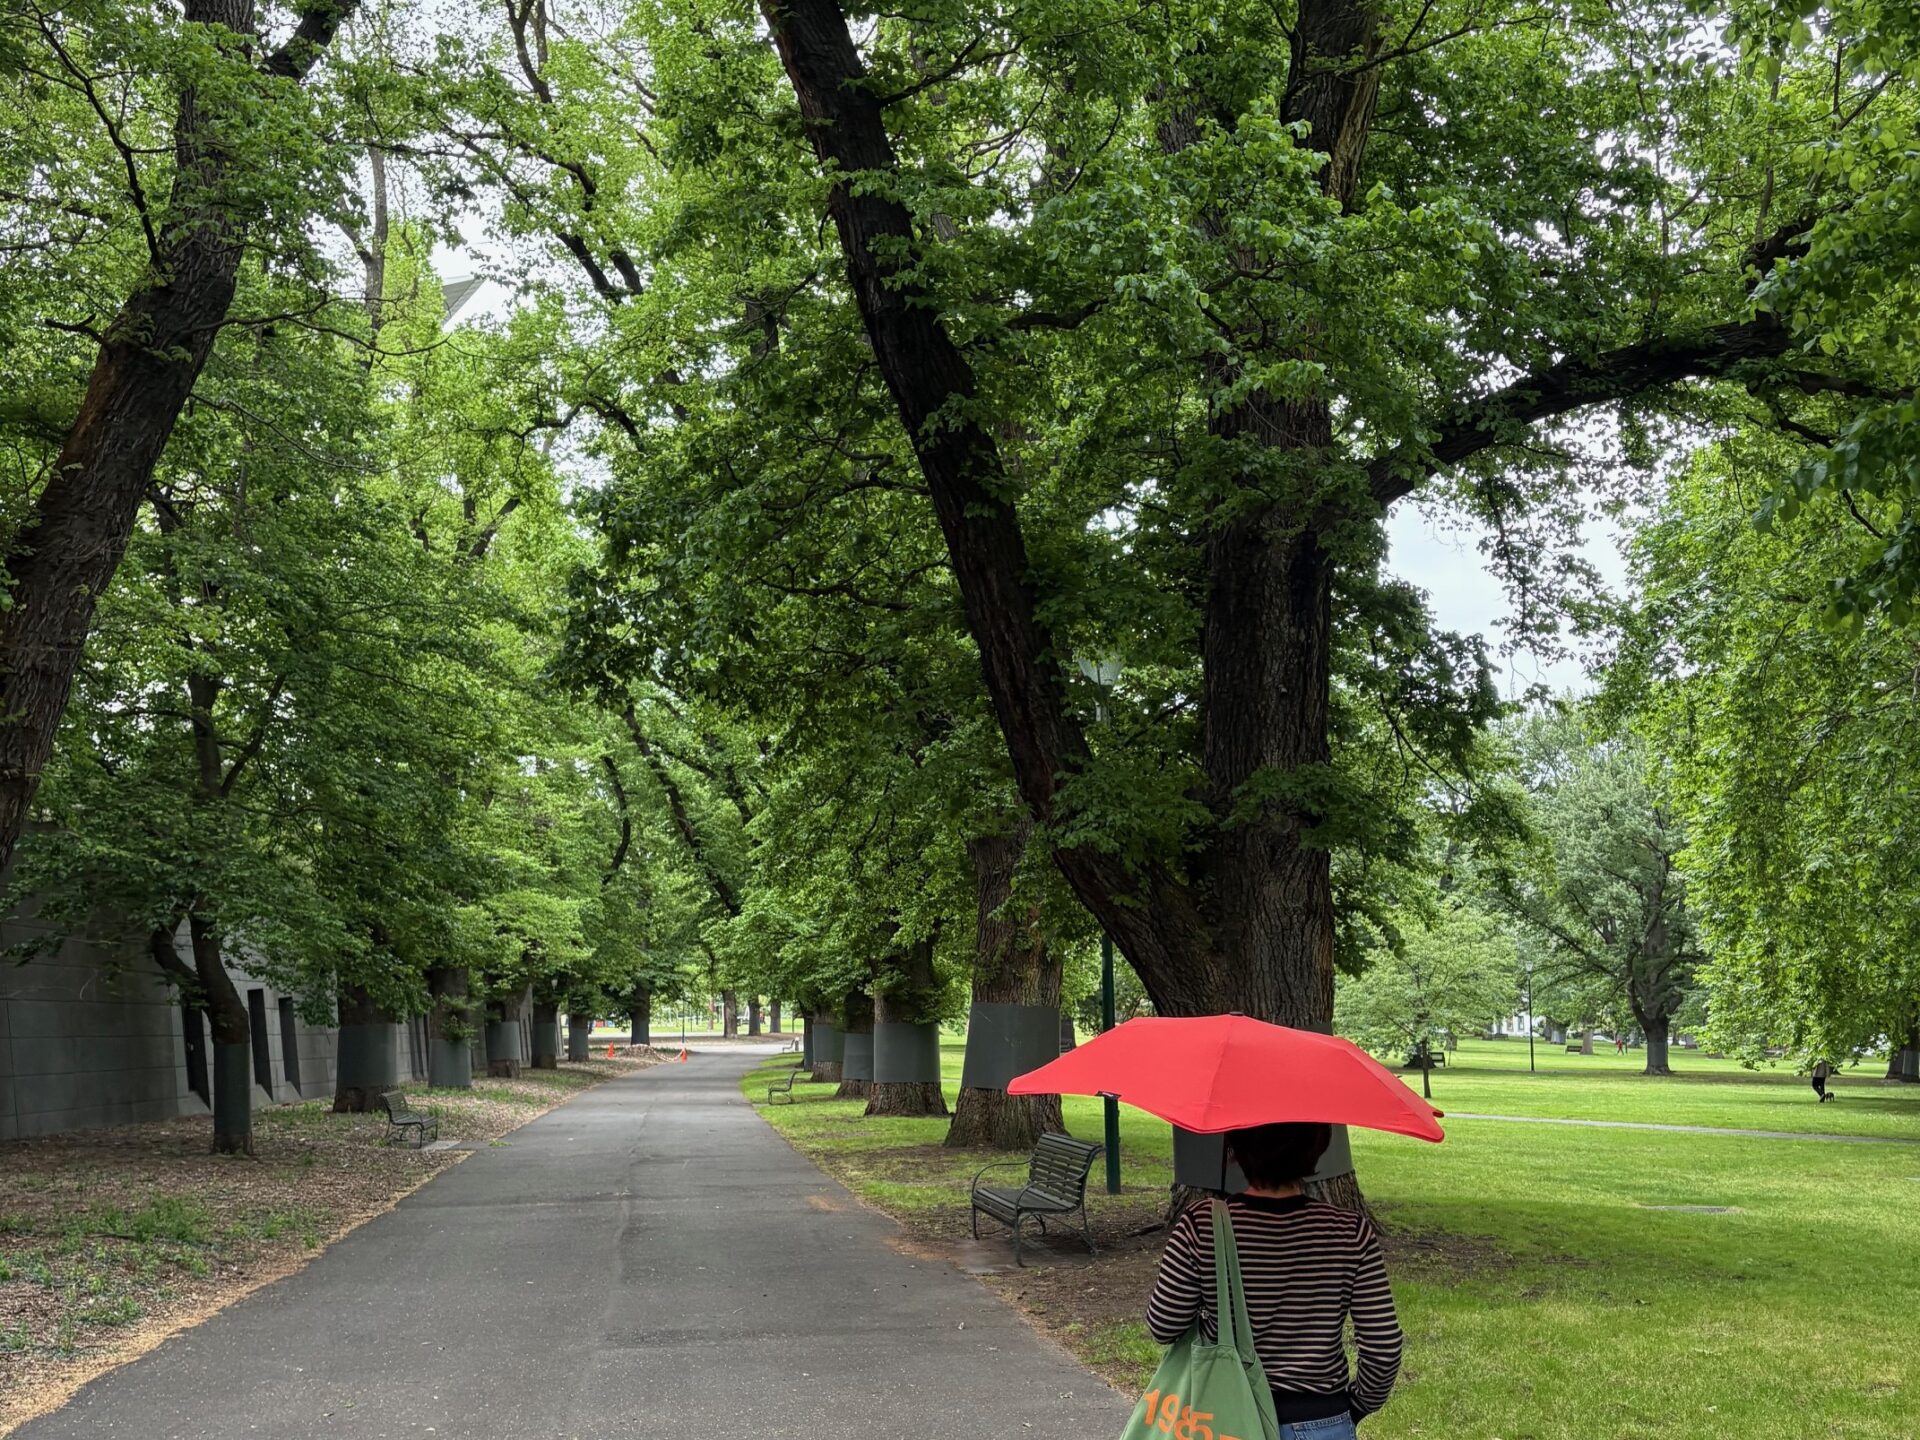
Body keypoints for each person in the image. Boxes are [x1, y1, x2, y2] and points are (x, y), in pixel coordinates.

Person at [1146, 1123, 1403, 1437]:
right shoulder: (1350, 1232)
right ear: (1317, 1146)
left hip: (1225, 1417)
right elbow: (1384, 1348)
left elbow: (1163, 1325)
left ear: (1236, 1144)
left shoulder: (1202, 1226)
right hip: (1322, 1417)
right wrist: (1356, 1406)